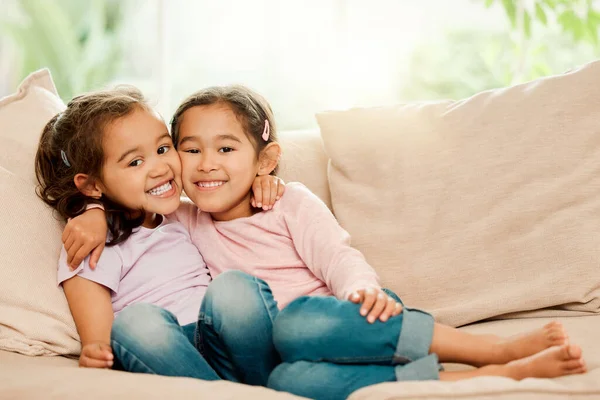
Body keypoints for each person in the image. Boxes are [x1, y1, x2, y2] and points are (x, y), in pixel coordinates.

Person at [65, 85, 587, 400]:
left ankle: (491, 354)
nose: (203, 164)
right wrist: (89, 211)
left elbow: (337, 255)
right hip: (258, 362)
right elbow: (132, 201)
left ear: (265, 160)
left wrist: (361, 287)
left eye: (225, 148)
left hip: (332, 326)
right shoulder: (184, 216)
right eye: (188, 149)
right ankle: (488, 376)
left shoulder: (285, 200)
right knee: (299, 383)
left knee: (286, 318)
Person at [34, 86, 284, 385]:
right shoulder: (96, 237)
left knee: (235, 288)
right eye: (135, 162)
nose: (159, 168)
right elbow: (88, 300)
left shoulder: (182, 215)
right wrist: (96, 347)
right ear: (92, 185)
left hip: (223, 343)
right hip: (167, 351)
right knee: (136, 324)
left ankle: (271, 387)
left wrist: (261, 183)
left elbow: (230, 201)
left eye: (163, 149)